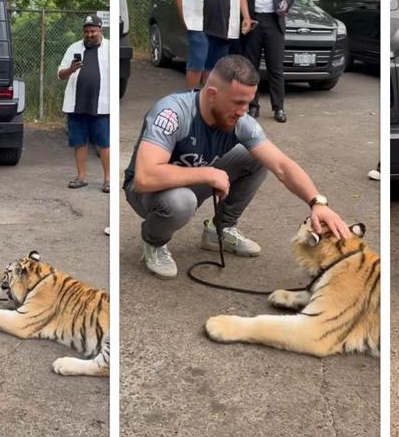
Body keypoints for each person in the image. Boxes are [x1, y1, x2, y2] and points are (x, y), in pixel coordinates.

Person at [123, 55, 350, 279]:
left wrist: (317, 202)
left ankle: (219, 230)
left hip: (191, 181)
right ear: (212, 94)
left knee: (256, 157)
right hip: (146, 193)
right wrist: (208, 173)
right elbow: (145, 177)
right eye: (238, 103)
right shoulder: (172, 113)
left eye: (249, 102)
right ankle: (154, 242)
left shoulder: (240, 121)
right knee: (181, 201)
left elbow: (281, 165)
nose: (244, 111)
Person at [170, 0, 253, 89]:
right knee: (196, 64)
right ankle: (189, 101)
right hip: (197, 22)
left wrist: (246, 17)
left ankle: (208, 103)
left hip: (224, 24)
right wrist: (182, 16)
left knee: (215, 69)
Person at [58, 14, 110, 193]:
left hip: (102, 104)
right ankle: (81, 177)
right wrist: (70, 69)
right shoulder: (74, 47)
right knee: (79, 141)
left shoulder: (110, 48)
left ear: (100, 30)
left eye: (93, 31)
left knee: (104, 142)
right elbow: (60, 75)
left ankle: (108, 179)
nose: (89, 35)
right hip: (76, 103)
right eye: (86, 31)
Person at [240, 0, 295, 123]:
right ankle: (253, 106)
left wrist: (288, 2)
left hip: (274, 20)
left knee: (276, 67)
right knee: (251, 67)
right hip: (253, 19)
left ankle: (279, 108)